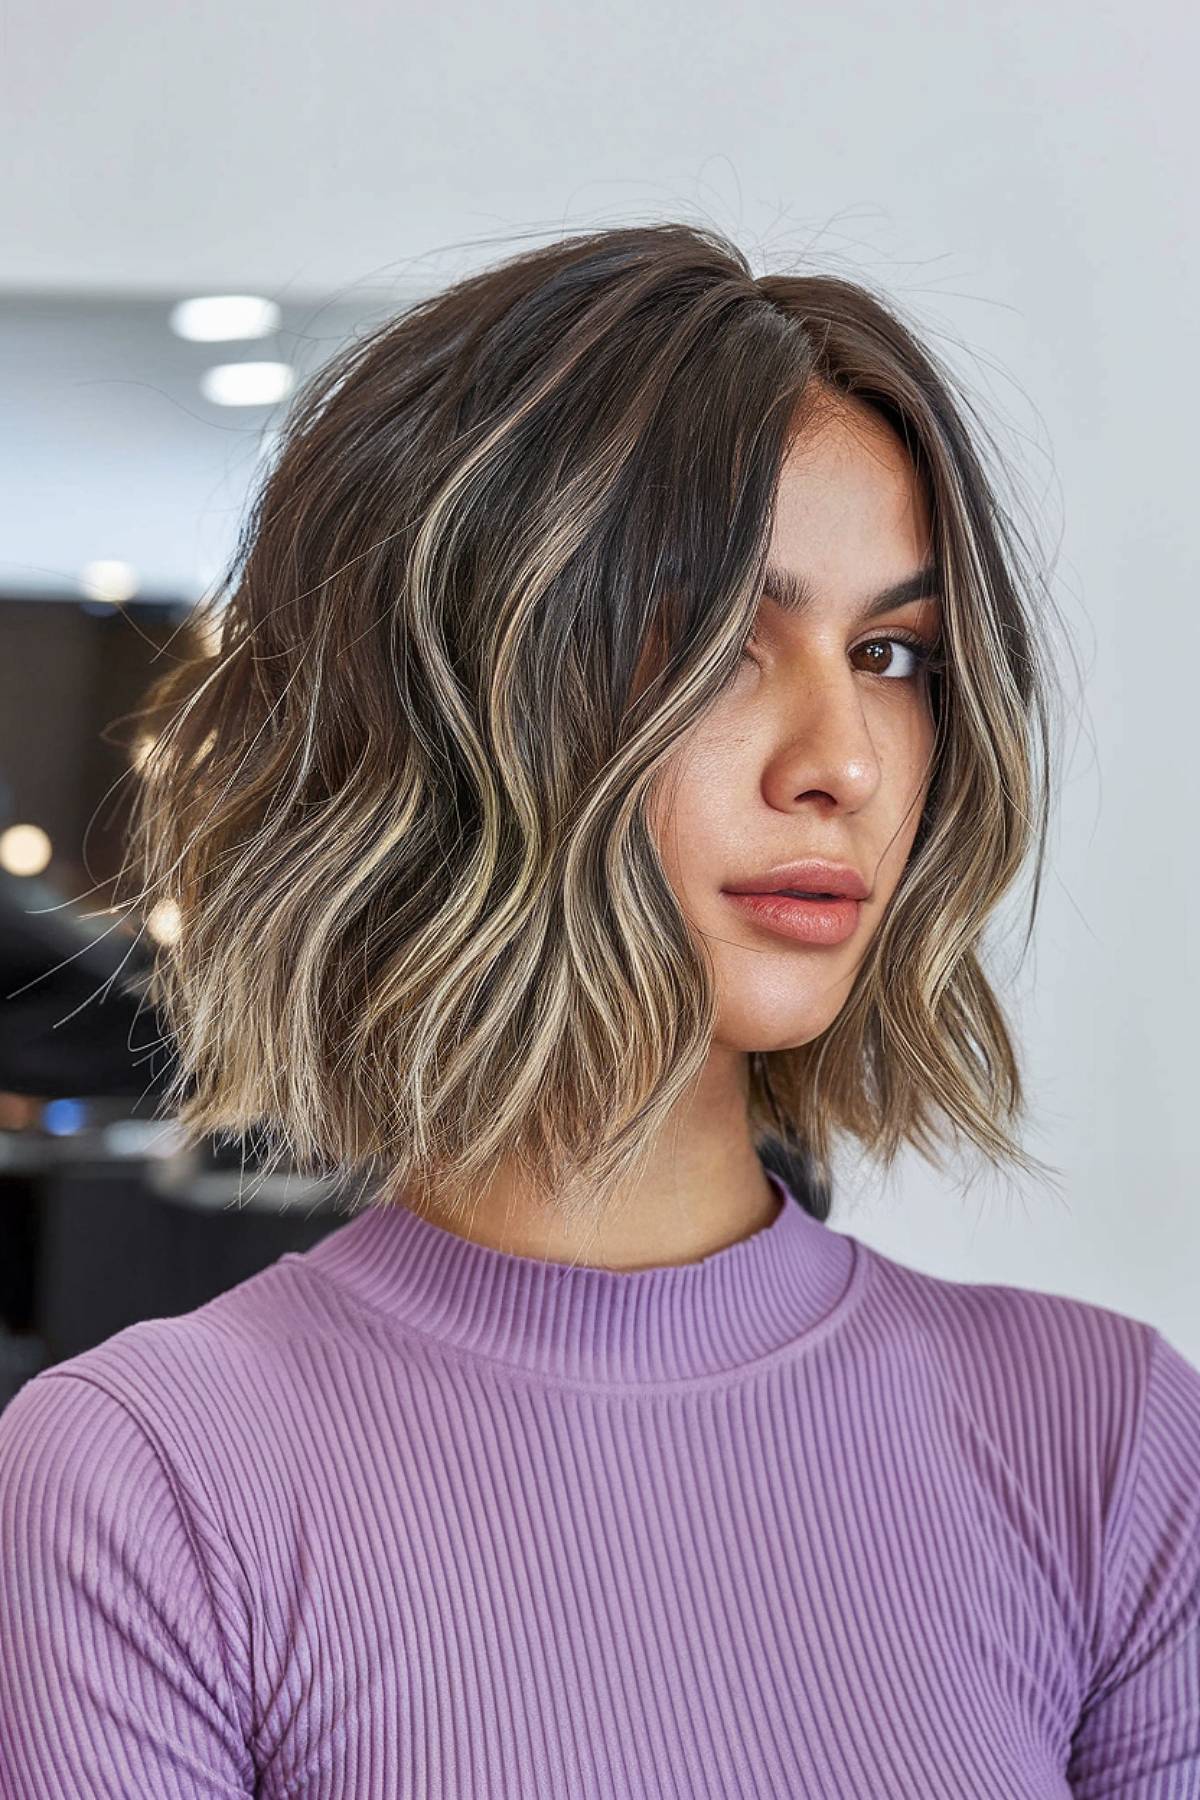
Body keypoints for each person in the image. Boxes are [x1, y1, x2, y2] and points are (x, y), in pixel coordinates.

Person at [1, 222, 1197, 1798]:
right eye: (715, 649)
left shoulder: (1106, 1450)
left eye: (894, 653)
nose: (840, 758)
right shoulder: (143, 1485)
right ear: (457, 705)